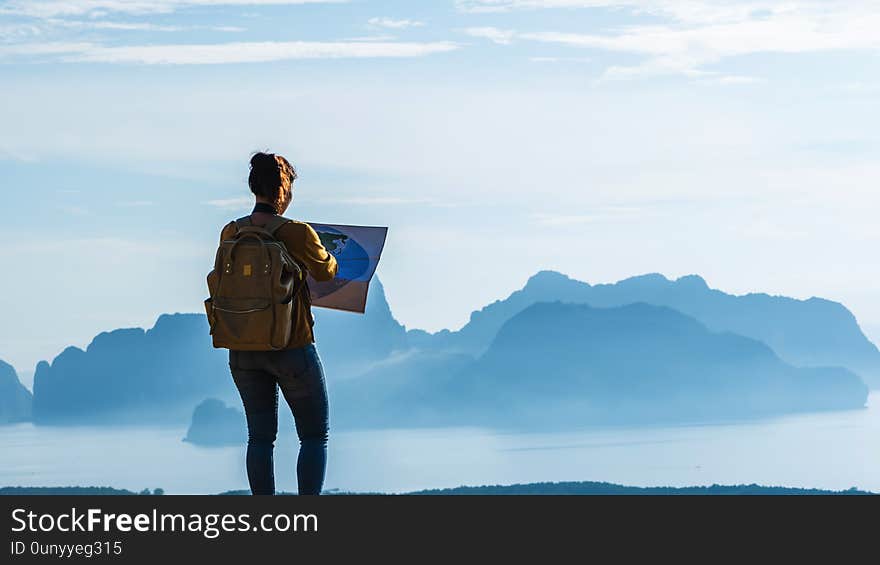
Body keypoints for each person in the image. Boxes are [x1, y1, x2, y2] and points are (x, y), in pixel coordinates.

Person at [219, 151, 338, 495]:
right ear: (283, 190)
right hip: (291, 345)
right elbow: (326, 272)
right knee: (314, 435)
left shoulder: (231, 231)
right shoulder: (298, 233)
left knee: (259, 438)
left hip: (242, 348)